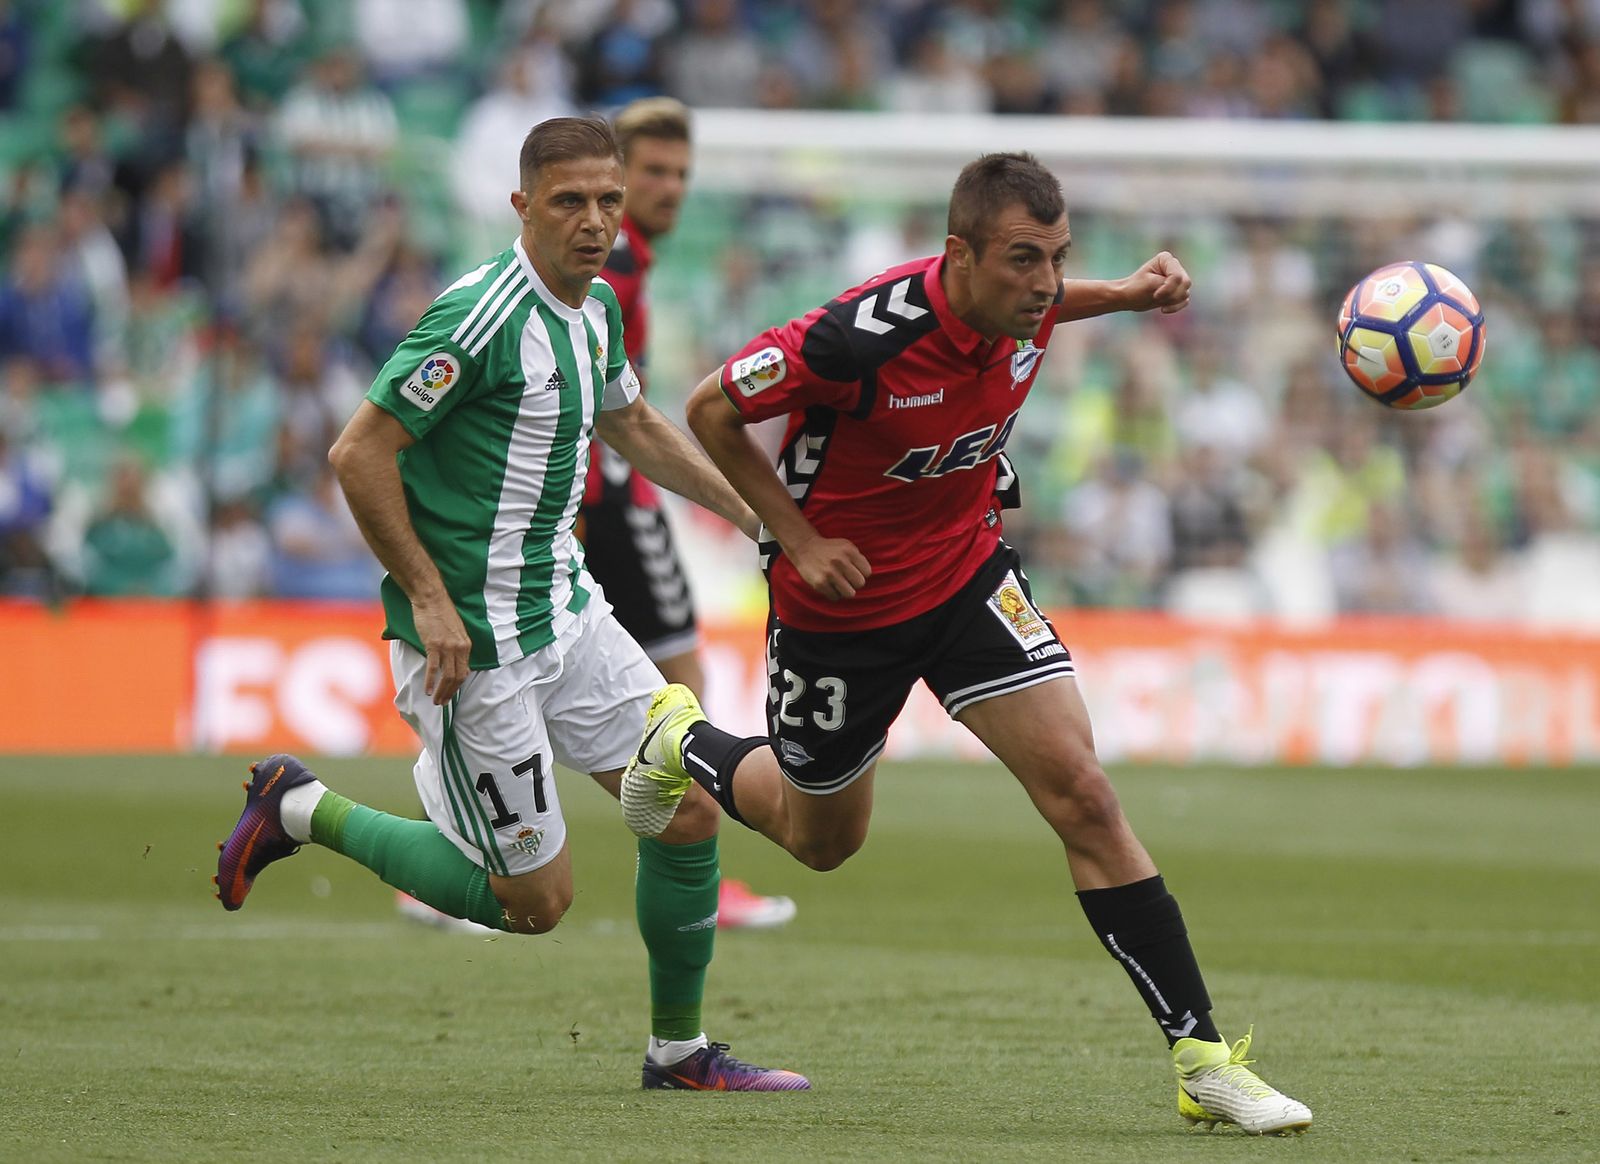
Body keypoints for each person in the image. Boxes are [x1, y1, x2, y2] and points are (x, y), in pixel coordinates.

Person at [620, 152, 1313, 1133]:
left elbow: (1040, 304)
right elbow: (709, 408)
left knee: (1083, 792)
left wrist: (1119, 294)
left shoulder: (1023, 309)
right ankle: (678, 738)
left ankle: (1202, 1058)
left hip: (966, 577)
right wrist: (797, 536)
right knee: (821, 841)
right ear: (958, 255)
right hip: (842, 611)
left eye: (1057, 259)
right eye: (1023, 260)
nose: (1042, 284)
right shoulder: (855, 337)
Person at [214, 116, 809, 1093]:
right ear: (522, 205)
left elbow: (631, 423)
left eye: (607, 200)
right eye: (569, 200)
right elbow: (358, 453)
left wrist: (758, 515)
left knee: (684, 810)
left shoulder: (597, 310)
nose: (593, 220)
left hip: (567, 616)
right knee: (534, 901)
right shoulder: (478, 317)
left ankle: (680, 1054)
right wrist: (428, 596)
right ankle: (299, 805)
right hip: (471, 648)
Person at [581, 96, 795, 931]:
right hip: (604, 492)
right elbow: (613, 412)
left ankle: (451, 863)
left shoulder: (627, 262)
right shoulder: (615, 264)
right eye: (652, 172)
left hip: (595, 489)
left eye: (680, 173)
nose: (668, 188)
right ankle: (698, 871)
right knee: (683, 675)